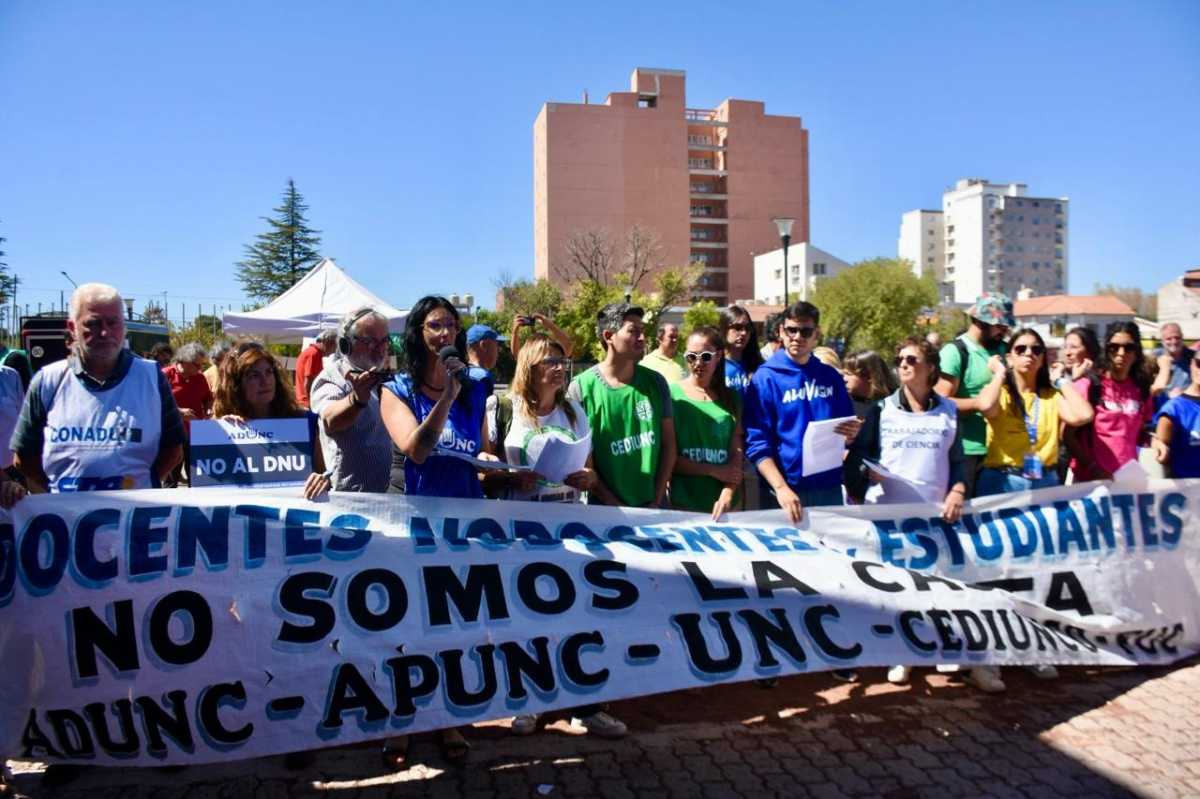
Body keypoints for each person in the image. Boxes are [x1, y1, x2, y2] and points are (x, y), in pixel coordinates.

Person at [378, 296, 493, 762]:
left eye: (451, 324)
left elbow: (481, 450)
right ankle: (401, 722)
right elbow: (417, 449)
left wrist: (497, 464)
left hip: (465, 525)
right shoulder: (396, 389)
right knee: (409, 629)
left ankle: (449, 719)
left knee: (455, 627)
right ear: (418, 335)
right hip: (414, 527)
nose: (445, 333)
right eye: (434, 326)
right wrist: (446, 396)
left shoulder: (478, 385)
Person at [495, 335, 627, 739]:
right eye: (551, 361)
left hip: (571, 526)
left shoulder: (573, 411)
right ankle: (529, 704)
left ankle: (586, 706)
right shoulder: (505, 409)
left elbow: (587, 466)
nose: (560, 366)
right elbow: (485, 468)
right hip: (523, 531)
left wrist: (590, 476)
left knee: (577, 615)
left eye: (562, 360)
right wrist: (510, 478)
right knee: (529, 616)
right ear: (531, 368)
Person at [972, 328, 1094, 692]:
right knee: (996, 573)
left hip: (1042, 486)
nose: (1029, 355)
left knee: (1036, 571)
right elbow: (983, 407)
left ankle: (1031, 647)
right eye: (1021, 349)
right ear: (1010, 354)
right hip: (1001, 484)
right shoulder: (1003, 393)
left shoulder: (1051, 395)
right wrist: (998, 373)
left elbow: (1082, 414)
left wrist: (1061, 380)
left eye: (1036, 350)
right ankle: (986, 661)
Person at [846, 337, 967, 685]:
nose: (903, 364)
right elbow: (856, 462)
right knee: (897, 590)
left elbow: (959, 461)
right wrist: (864, 475)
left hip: (935, 519)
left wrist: (958, 489)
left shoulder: (948, 411)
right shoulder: (881, 410)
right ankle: (901, 654)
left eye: (912, 359)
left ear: (930, 369)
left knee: (937, 588)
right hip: (888, 519)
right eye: (899, 359)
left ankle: (942, 650)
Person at [11, 283, 184, 493]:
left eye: (113, 323)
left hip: (134, 519)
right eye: (93, 324)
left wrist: (143, 487)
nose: (104, 332)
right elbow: (23, 457)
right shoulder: (47, 380)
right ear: (72, 328)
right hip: (67, 519)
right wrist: (54, 497)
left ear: (124, 326)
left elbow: (173, 449)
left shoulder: (151, 377)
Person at [744, 301, 860, 523]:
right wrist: (781, 489)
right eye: (791, 330)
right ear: (781, 332)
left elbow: (845, 434)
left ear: (816, 335)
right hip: (784, 491)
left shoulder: (831, 377)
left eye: (805, 331)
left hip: (829, 488)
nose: (797, 337)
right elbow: (757, 443)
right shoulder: (766, 378)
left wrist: (852, 434)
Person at [568, 302, 676, 507]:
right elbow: (585, 464)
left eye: (642, 331)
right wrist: (617, 507)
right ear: (609, 336)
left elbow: (669, 445)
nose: (642, 339)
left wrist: (658, 498)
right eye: (633, 332)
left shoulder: (656, 382)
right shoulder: (580, 389)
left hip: (655, 507)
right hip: (606, 511)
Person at [935, 292, 1014, 497]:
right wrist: (979, 404)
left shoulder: (1005, 349)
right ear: (980, 320)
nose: (1005, 330)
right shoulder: (955, 352)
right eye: (1000, 325)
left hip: (1001, 452)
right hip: (967, 453)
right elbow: (940, 402)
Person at [309, 307, 395, 493]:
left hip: (388, 496)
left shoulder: (385, 378)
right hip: (350, 499)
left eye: (384, 341)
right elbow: (330, 420)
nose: (380, 349)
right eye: (370, 341)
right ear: (345, 344)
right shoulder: (332, 378)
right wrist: (356, 400)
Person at [670, 326, 743, 520]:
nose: (698, 362)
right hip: (683, 505)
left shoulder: (731, 398)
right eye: (691, 356)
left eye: (706, 356)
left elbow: (736, 453)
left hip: (726, 507)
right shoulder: (671, 396)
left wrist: (728, 493)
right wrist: (713, 471)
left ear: (718, 356)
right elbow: (668, 457)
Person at [1065, 322, 1152, 482]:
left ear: (1137, 352)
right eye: (1114, 347)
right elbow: (1067, 435)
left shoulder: (1142, 390)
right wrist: (1092, 467)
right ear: (1106, 349)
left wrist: (1157, 441)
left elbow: (1141, 433)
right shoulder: (1090, 385)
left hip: (1127, 481)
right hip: (1090, 482)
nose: (1121, 353)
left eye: (1128, 347)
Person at [1056, 327, 1101, 482]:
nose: (1067, 352)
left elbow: (1066, 433)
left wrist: (1090, 466)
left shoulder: (1086, 382)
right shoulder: (1072, 378)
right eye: (1065, 346)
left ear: (1089, 351)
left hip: (1078, 464)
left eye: (1074, 347)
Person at [1153, 347, 1200, 477]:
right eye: (1199, 364)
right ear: (1191, 364)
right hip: (1187, 491)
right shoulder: (1173, 409)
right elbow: (1161, 452)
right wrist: (1158, 445)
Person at [720, 305, 763, 401]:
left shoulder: (759, 366)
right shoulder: (714, 365)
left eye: (748, 328)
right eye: (737, 327)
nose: (743, 333)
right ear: (724, 329)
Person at [842, 350, 898, 418]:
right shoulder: (843, 402)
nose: (844, 379)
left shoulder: (895, 404)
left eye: (849, 374)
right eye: (844, 374)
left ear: (869, 376)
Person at [294, 328, 336, 409]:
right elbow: (308, 382)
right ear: (328, 342)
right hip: (306, 404)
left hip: (305, 402)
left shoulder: (312, 352)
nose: (333, 352)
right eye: (335, 346)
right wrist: (311, 403)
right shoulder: (314, 354)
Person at [1152, 322, 1192, 400]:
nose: (1174, 342)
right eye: (1169, 339)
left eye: (1177, 338)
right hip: (1160, 407)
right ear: (1162, 341)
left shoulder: (1194, 360)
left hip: (1186, 405)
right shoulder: (1153, 359)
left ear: (1182, 338)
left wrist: (1184, 394)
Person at [510, 312, 574, 361]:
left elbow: (568, 346)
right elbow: (517, 355)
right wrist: (515, 332)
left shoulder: (552, 356)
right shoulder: (533, 359)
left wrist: (549, 324)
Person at [465, 323, 501, 396]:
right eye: (496, 345)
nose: (498, 350)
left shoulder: (463, 372)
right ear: (484, 345)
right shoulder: (483, 377)